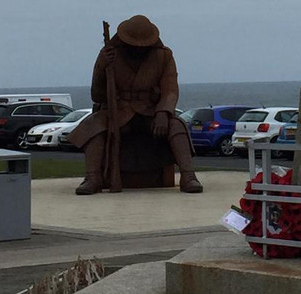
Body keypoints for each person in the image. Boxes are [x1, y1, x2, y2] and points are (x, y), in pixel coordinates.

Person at [66, 14, 202, 195]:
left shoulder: (164, 56)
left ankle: (188, 175)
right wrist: (101, 66)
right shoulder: (109, 54)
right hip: (119, 111)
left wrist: (163, 112)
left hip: (149, 111)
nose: (138, 49)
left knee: (176, 125)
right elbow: (97, 95)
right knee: (93, 125)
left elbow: (170, 90)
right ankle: (93, 177)